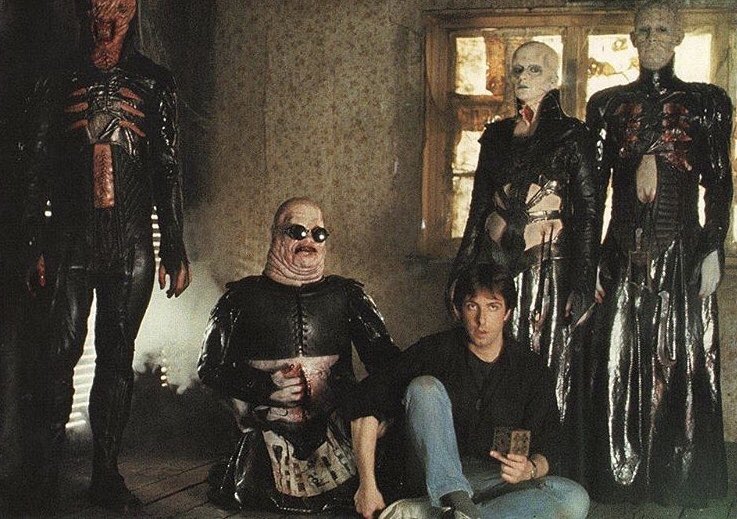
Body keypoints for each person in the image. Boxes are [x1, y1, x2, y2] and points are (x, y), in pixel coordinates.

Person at [22, 0, 191, 511]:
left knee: (116, 358)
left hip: (131, 244)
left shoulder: (155, 83)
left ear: (134, 12)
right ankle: (44, 479)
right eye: (99, 4)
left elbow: (167, 166)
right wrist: (34, 242)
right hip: (69, 241)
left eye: (119, 6)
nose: (108, 18)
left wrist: (175, 245)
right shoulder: (54, 81)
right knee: (59, 356)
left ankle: (105, 475)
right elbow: (34, 165)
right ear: (83, 11)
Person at [585, 0, 731, 507]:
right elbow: (593, 194)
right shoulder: (606, 105)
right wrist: (592, 260)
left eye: (662, 29)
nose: (651, 38)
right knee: (616, 361)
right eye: (643, 30)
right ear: (631, 37)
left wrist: (713, 248)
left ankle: (680, 481)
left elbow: (720, 184)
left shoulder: (707, 103)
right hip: (621, 252)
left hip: (684, 249)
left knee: (682, 360)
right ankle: (616, 483)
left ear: (679, 37)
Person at [450, 41, 601, 480]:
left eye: (534, 69)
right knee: (496, 365)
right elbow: (478, 209)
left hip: (547, 274)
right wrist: (461, 270)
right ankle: (498, 472)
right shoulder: (496, 137)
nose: (522, 77)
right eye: (517, 69)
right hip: (496, 271)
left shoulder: (573, 136)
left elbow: (589, 213)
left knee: (541, 365)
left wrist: (581, 282)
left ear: (554, 79)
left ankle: (542, 468)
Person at [198, 197, 402, 515]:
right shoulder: (238, 300)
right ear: (275, 235)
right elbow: (210, 368)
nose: (309, 241)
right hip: (267, 444)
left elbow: (387, 362)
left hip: (340, 439)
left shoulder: (349, 296)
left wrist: (381, 409)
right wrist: (263, 386)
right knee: (255, 500)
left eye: (318, 233)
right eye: (297, 231)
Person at [348, 262, 590, 519]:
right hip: (427, 478)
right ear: (458, 310)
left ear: (507, 312)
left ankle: (425, 513)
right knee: (424, 388)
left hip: (489, 479)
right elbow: (365, 402)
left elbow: (550, 442)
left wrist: (529, 469)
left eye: (493, 306)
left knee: (573, 498)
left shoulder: (530, 367)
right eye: (472, 306)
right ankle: (457, 504)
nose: (481, 320)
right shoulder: (433, 350)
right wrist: (367, 486)